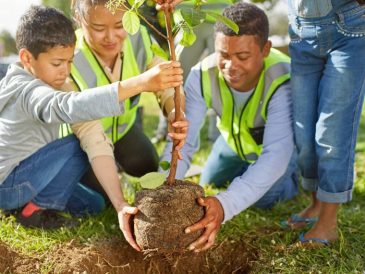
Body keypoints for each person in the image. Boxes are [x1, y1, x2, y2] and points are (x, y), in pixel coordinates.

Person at [0, 5, 182, 251]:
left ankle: (34, 201)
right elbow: (66, 106)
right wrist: (139, 83)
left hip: (33, 172)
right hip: (9, 185)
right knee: (76, 146)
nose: (65, 72)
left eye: (69, 62)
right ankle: (34, 209)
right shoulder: (28, 90)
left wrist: (119, 204)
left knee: (94, 204)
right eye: (57, 63)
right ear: (26, 58)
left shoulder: (54, 76)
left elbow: (92, 134)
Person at [160, 2, 299, 252]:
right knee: (210, 180)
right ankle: (245, 172)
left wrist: (225, 205)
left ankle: (298, 177)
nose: (230, 66)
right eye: (223, 55)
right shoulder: (202, 73)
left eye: (242, 57)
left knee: (265, 197)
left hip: (276, 149)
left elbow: (275, 156)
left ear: (265, 49)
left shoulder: (282, 78)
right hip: (233, 143)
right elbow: (183, 140)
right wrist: (163, 190)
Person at [60, 0, 187, 200]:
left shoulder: (140, 38)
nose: (110, 37)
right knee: (102, 197)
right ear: (78, 18)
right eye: (98, 28)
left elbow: (167, 82)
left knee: (149, 164)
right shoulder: (67, 57)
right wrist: (119, 201)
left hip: (122, 132)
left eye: (120, 26)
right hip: (82, 143)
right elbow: (89, 133)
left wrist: (173, 111)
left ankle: (119, 165)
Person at [282, 0, 365, 246]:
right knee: (304, 134)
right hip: (300, 33)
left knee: (331, 134)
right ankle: (316, 205)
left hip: (349, 29)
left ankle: (328, 224)